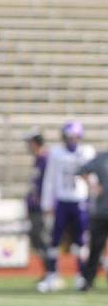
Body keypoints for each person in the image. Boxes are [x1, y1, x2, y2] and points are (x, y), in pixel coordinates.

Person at [38, 121, 96, 293]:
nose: (71, 140)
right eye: (68, 137)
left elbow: (91, 178)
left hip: (80, 201)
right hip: (62, 201)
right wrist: (47, 203)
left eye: (74, 137)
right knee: (55, 240)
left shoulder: (86, 152)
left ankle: (81, 276)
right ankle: (52, 275)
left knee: (81, 241)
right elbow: (49, 179)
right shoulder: (56, 153)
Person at [77, 148, 108, 290]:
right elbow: (81, 170)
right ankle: (88, 281)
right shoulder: (101, 158)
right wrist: (93, 185)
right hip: (101, 212)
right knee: (95, 248)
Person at [25, 130, 49, 265]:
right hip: (34, 206)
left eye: (29, 143)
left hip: (41, 207)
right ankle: (47, 271)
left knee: (43, 238)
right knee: (36, 238)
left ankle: (51, 272)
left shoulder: (46, 159)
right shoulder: (38, 159)